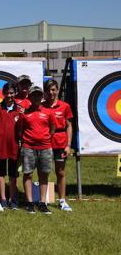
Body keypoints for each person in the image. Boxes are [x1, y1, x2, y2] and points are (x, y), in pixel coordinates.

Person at [17, 86, 55, 214]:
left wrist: (46, 139)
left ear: (42, 97)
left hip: (45, 147)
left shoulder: (48, 111)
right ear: (30, 97)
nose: (36, 98)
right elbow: (20, 129)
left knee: (44, 174)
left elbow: (52, 128)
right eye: (34, 95)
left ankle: (42, 203)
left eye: (39, 95)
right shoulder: (24, 113)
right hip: (28, 147)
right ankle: (29, 203)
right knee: (28, 174)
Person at [43, 79, 73, 212]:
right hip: (45, 142)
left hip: (60, 143)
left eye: (53, 90)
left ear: (57, 90)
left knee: (60, 172)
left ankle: (62, 200)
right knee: (44, 171)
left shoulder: (64, 106)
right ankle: (44, 199)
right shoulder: (41, 106)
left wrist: (68, 145)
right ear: (45, 91)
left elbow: (69, 126)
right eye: (48, 90)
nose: (51, 92)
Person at [0, 83, 21, 210]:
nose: (9, 96)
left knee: (13, 174)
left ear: (15, 93)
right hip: (1, 146)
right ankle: (3, 198)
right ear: (3, 93)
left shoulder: (19, 109)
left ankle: (13, 198)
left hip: (15, 146)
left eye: (12, 93)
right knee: (1, 173)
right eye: (7, 93)